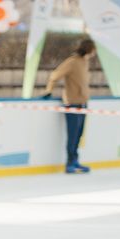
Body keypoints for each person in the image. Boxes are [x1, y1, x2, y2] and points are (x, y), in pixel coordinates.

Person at [42, 38, 97, 174]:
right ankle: (69, 163)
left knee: (79, 135)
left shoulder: (84, 62)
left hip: (83, 102)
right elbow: (55, 75)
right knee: (72, 135)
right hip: (72, 103)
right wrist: (49, 90)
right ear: (89, 49)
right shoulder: (72, 62)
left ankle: (75, 160)